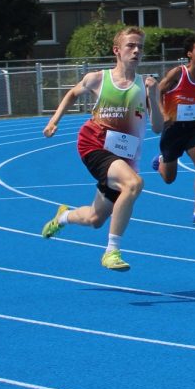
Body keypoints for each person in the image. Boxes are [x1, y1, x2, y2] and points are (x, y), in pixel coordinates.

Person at [41, 27, 162, 272]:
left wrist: (154, 95)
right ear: (117, 50)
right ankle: (112, 251)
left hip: (125, 157)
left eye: (140, 46)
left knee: (95, 219)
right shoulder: (99, 78)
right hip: (94, 144)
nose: (137, 50)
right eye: (131, 45)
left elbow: (158, 127)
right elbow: (72, 94)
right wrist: (54, 120)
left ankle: (63, 216)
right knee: (134, 184)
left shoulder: (145, 85)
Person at [152, 35, 195, 228]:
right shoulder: (178, 73)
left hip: (192, 127)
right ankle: (161, 160)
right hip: (173, 128)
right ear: (189, 54)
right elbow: (156, 91)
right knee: (169, 179)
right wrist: (163, 113)